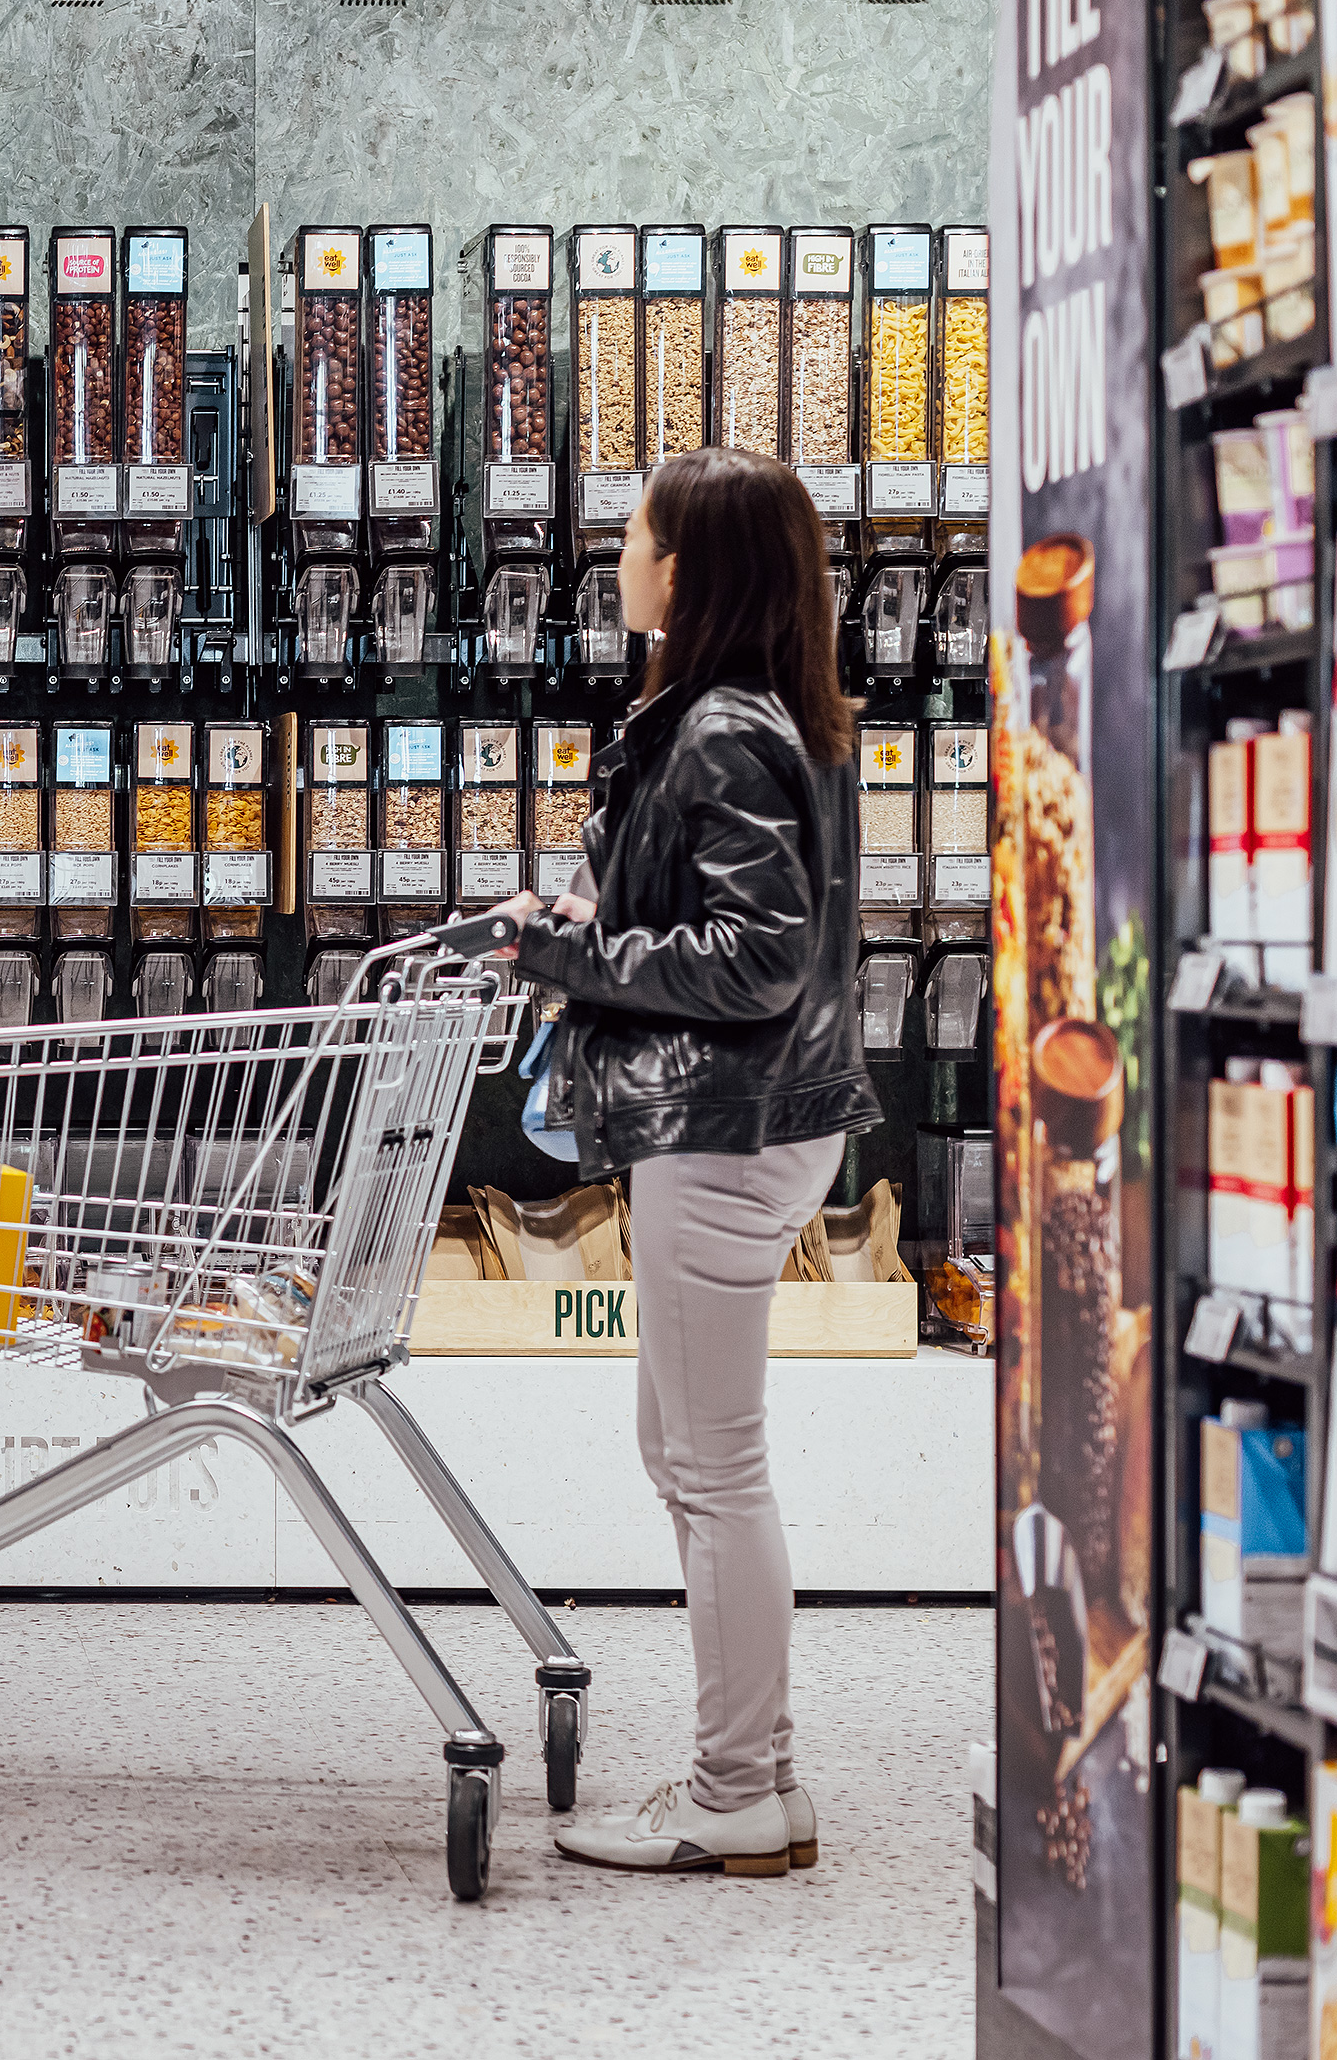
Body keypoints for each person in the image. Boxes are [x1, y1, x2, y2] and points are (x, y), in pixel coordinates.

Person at [491, 443, 877, 1879]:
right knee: (690, 1452)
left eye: (641, 534)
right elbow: (718, 914)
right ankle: (757, 1773)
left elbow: (754, 959)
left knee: (714, 1467)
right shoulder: (742, 715)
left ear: (693, 567)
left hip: (729, 1124)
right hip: (741, 1117)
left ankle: (735, 1792)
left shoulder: (723, 725)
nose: (622, 555)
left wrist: (567, 949)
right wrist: (583, 912)